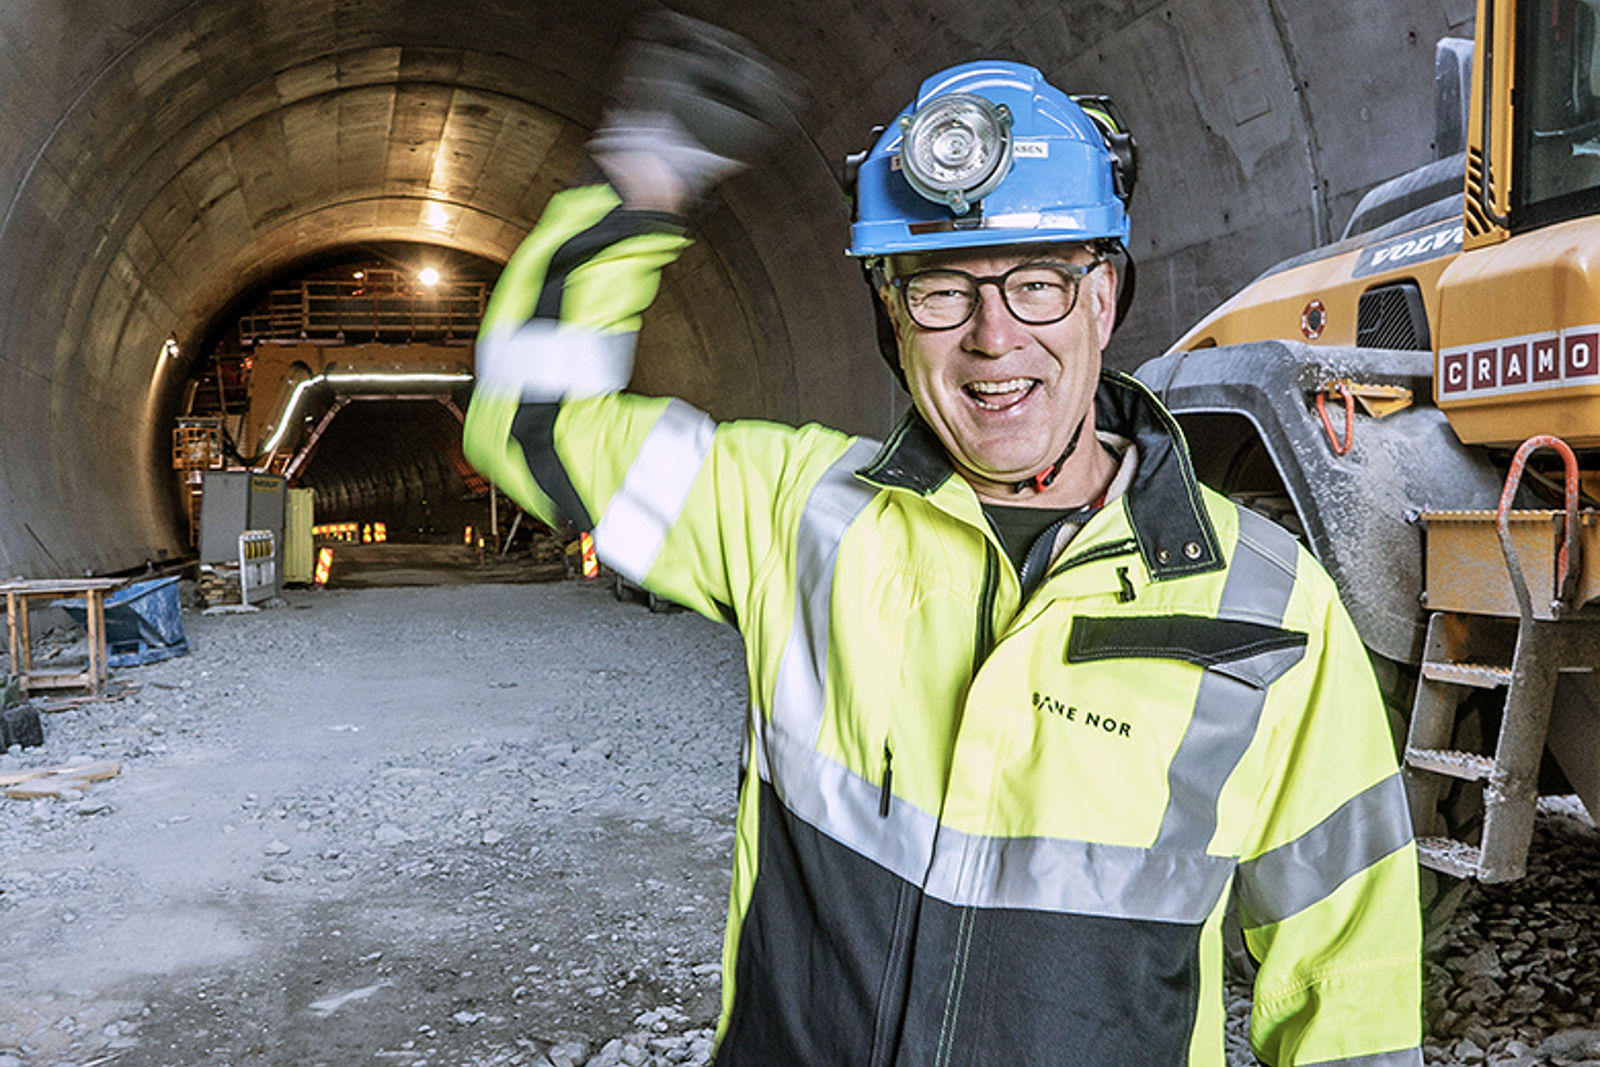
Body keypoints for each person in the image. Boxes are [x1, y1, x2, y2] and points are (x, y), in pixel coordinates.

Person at [464, 15, 1422, 1067]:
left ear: (1103, 299)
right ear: (890, 314)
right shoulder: (789, 512)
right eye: (941, 287)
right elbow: (530, 415)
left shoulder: (1267, 607)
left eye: (1039, 280)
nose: (993, 334)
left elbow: (1349, 983)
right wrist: (643, 180)